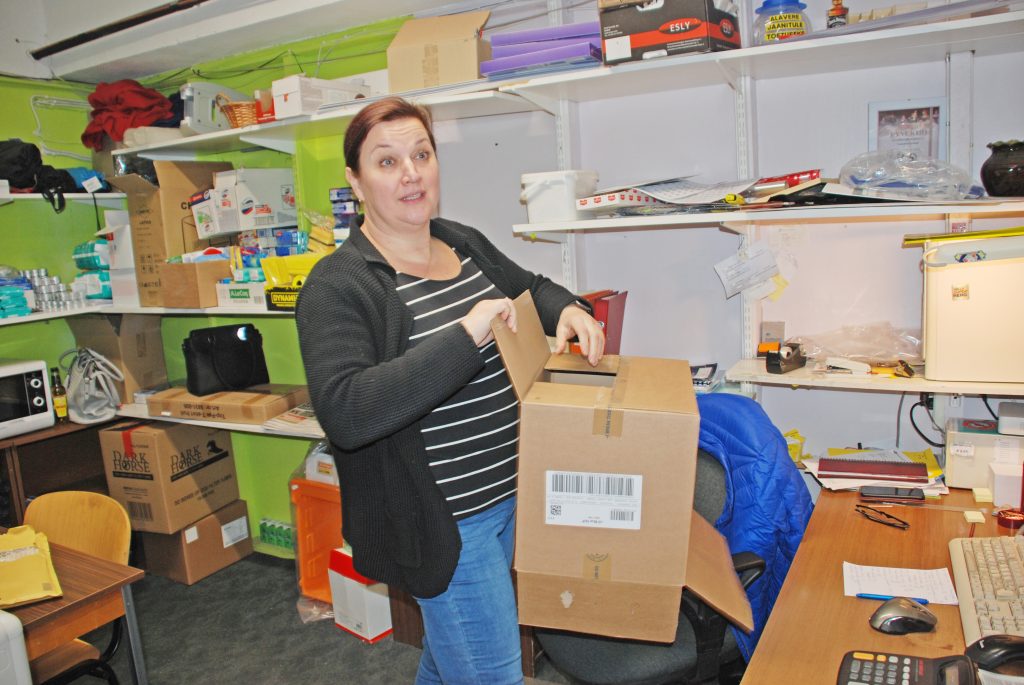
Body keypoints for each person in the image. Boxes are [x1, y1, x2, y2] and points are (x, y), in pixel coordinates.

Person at [295, 96, 605, 685]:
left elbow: (530, 287)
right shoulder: (337, 285)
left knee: (451, 658)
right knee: (491, 672)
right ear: (355, 181)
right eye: (387, 162)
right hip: (445, 523)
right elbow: (347, 411)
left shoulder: (462, 241)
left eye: (422, 154)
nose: (411, 173)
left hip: (508, 494)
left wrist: (568, 309)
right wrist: (465, 337)